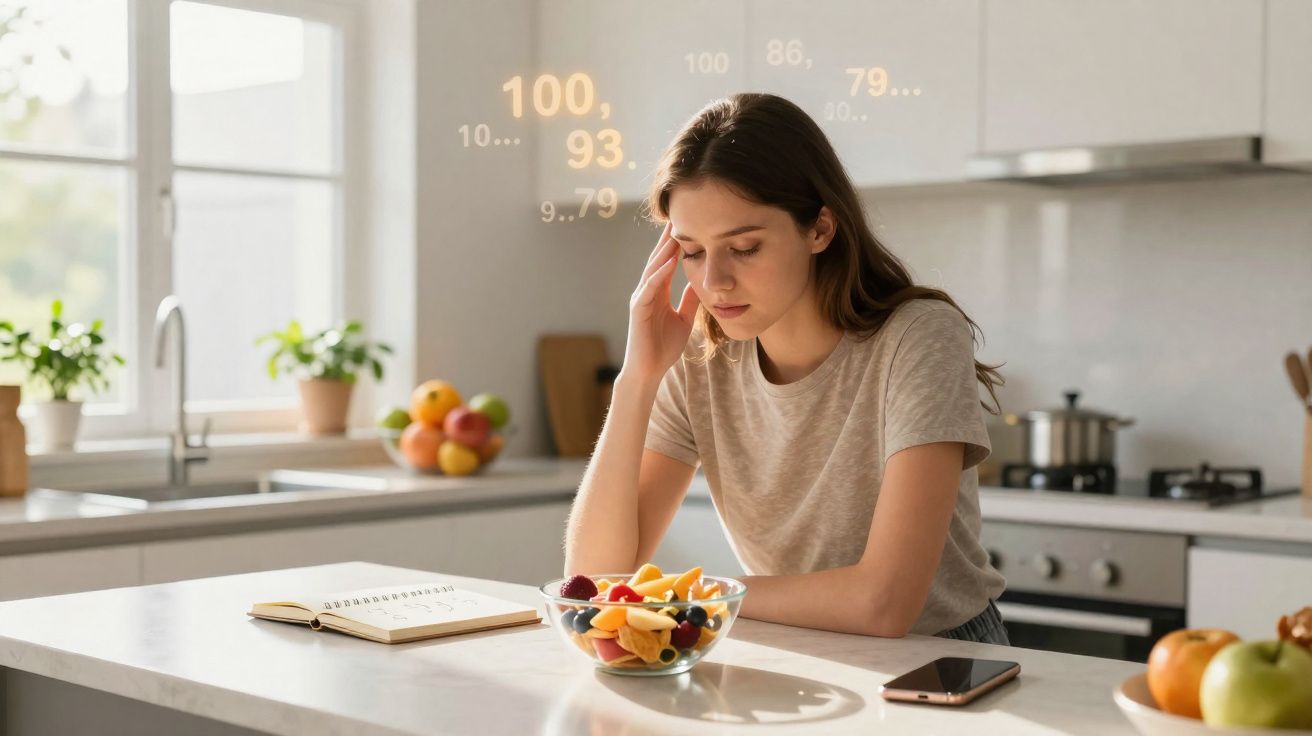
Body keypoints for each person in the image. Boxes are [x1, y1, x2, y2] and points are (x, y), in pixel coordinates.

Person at [563, 92, 1009, 643]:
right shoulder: (703, 357)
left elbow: (884, 604)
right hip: (795, 648)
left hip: (937, 659)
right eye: (694, 252)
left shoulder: (918, 337)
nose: (715, 282)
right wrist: (638, 377)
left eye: (744, 247)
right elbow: (595, 580)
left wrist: (696, 595)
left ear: (820, 229)